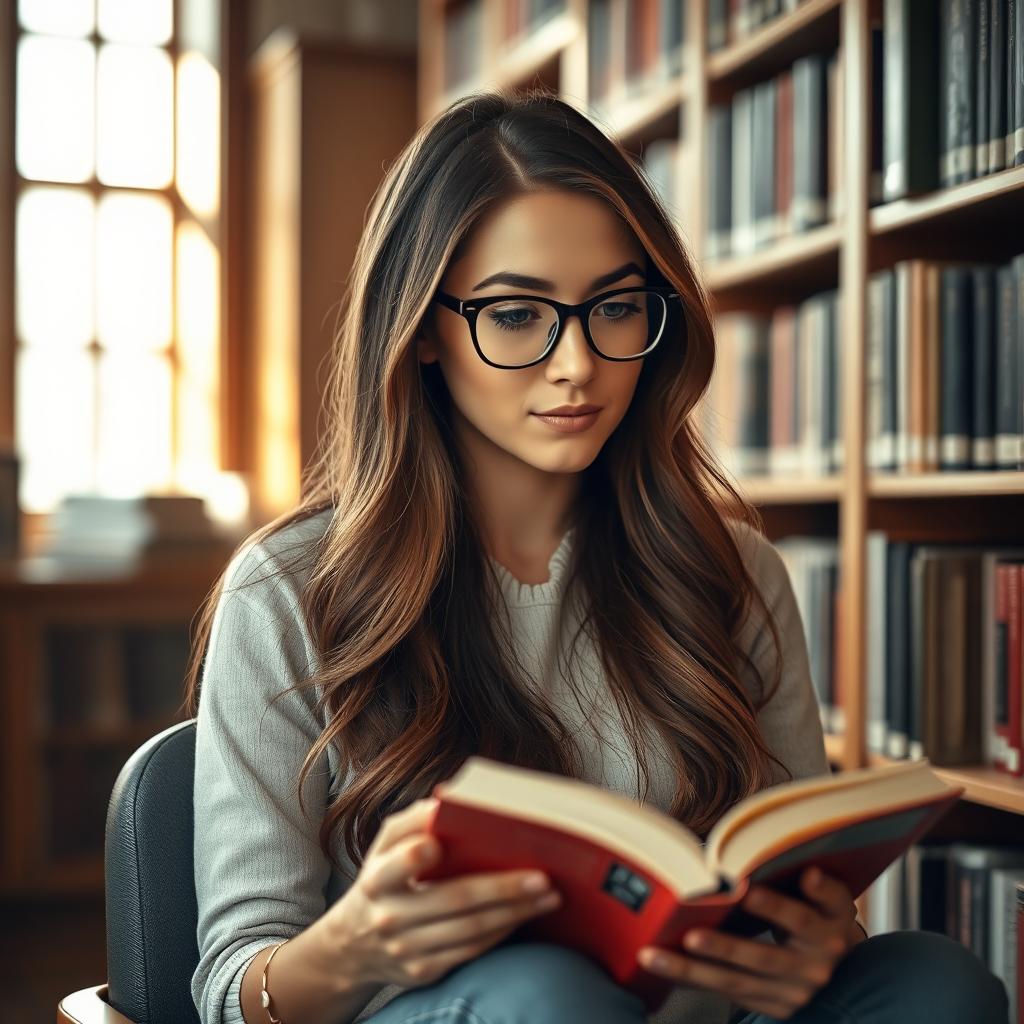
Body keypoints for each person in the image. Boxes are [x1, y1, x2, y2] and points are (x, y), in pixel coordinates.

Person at [186, 89, 1009, 1024]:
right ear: (422, 333)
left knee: (938, 984)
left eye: (615, 307)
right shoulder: (289, 589)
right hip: (474, 1015)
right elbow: (231, 984)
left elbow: (791, 885)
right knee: (548, 999)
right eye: (515, 315)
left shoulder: (732, 572)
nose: (577, 362)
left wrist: (819, 947)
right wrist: (351, 946)